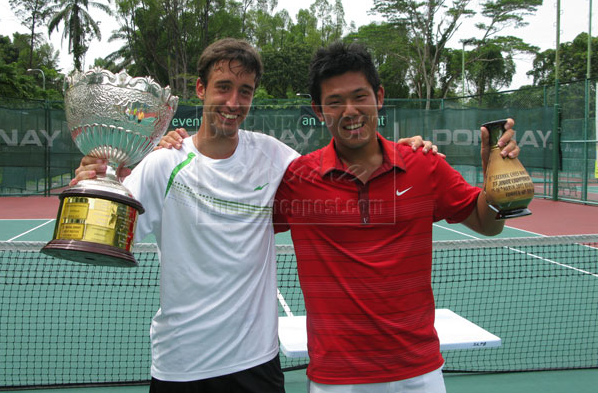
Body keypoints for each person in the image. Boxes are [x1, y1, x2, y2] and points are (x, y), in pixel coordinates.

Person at [71, 38, 442, 392]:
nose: (233, 101)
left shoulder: (275, 158)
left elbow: (339, 169)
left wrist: (401, 149)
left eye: (245, 91)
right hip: (180, 363)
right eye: (223, 87)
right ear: (200, 89)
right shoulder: (163, 163)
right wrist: (96, 184)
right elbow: (102, 237)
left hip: (256, 363)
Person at [272, 41, 520, 393]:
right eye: (334, 102)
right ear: (318, 109)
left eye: (359, 96)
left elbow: (487, 225)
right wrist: (177, 146)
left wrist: (495, 182)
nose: (350, 110)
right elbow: (231, 218)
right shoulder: (297, 180)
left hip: (419, 375)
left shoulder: (425, 164)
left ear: (379, 96)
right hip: (336, 378)